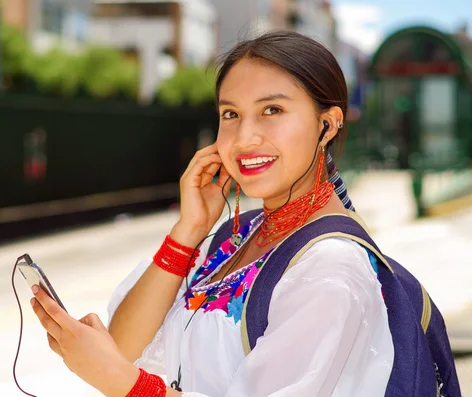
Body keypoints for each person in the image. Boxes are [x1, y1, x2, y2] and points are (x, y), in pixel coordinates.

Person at [29, 31, 394, 396]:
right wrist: (189, 230)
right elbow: (122, 349)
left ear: (327, 125)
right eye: (231, 114)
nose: (244, 137)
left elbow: (118, 371)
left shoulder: (331, 269)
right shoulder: (233, 238)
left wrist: (126, 385)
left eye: (272, 110)